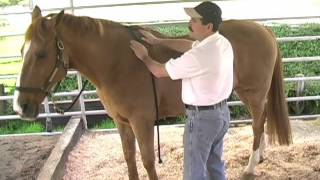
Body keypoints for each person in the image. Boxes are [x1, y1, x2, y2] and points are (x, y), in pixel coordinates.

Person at [130, 1, 233, 180]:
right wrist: (159, 41)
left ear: (208, 26)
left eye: (194, 20)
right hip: (221, 115)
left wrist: (144, 56)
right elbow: (188, 45)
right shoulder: (221, 42)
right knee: (214, 165)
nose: (189, 24)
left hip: (201, 121)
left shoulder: (198, 57)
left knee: (194, 173)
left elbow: (159, 71)